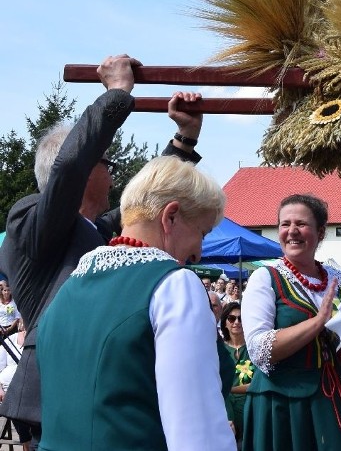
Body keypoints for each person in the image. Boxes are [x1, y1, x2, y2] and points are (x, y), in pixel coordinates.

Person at [0, 54, 204, 440]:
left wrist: (184, 139)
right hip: (55, 390)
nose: (114, 173)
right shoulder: (29, 219)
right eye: (106, 161)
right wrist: (116, 94)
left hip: (96, 385)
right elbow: (69, 167)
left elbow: (147, 197)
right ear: (88, 166)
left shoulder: (98, 230)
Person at [36, 156, 234, 450]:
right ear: (171, 217)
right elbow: (196, 431)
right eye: (202, 233)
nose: (199, 253)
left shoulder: (67, 290)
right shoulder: (173, 285)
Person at [241, 194, 341, 451]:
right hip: (281, 402)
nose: (292, 231)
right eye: (285, 224)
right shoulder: (266, 278)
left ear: (320, 232)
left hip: (332, 399)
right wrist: (318, 321)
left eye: (301, 224)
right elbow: (260, 350)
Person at [220, 302, 254, 442]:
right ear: (225, 323)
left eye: (241, 318)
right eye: (232, 318)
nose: (237, 322)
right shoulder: (219, 349)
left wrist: (229, 389)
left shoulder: (254, 347)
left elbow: (257, 383)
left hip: (252, 407)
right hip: (226, 411)